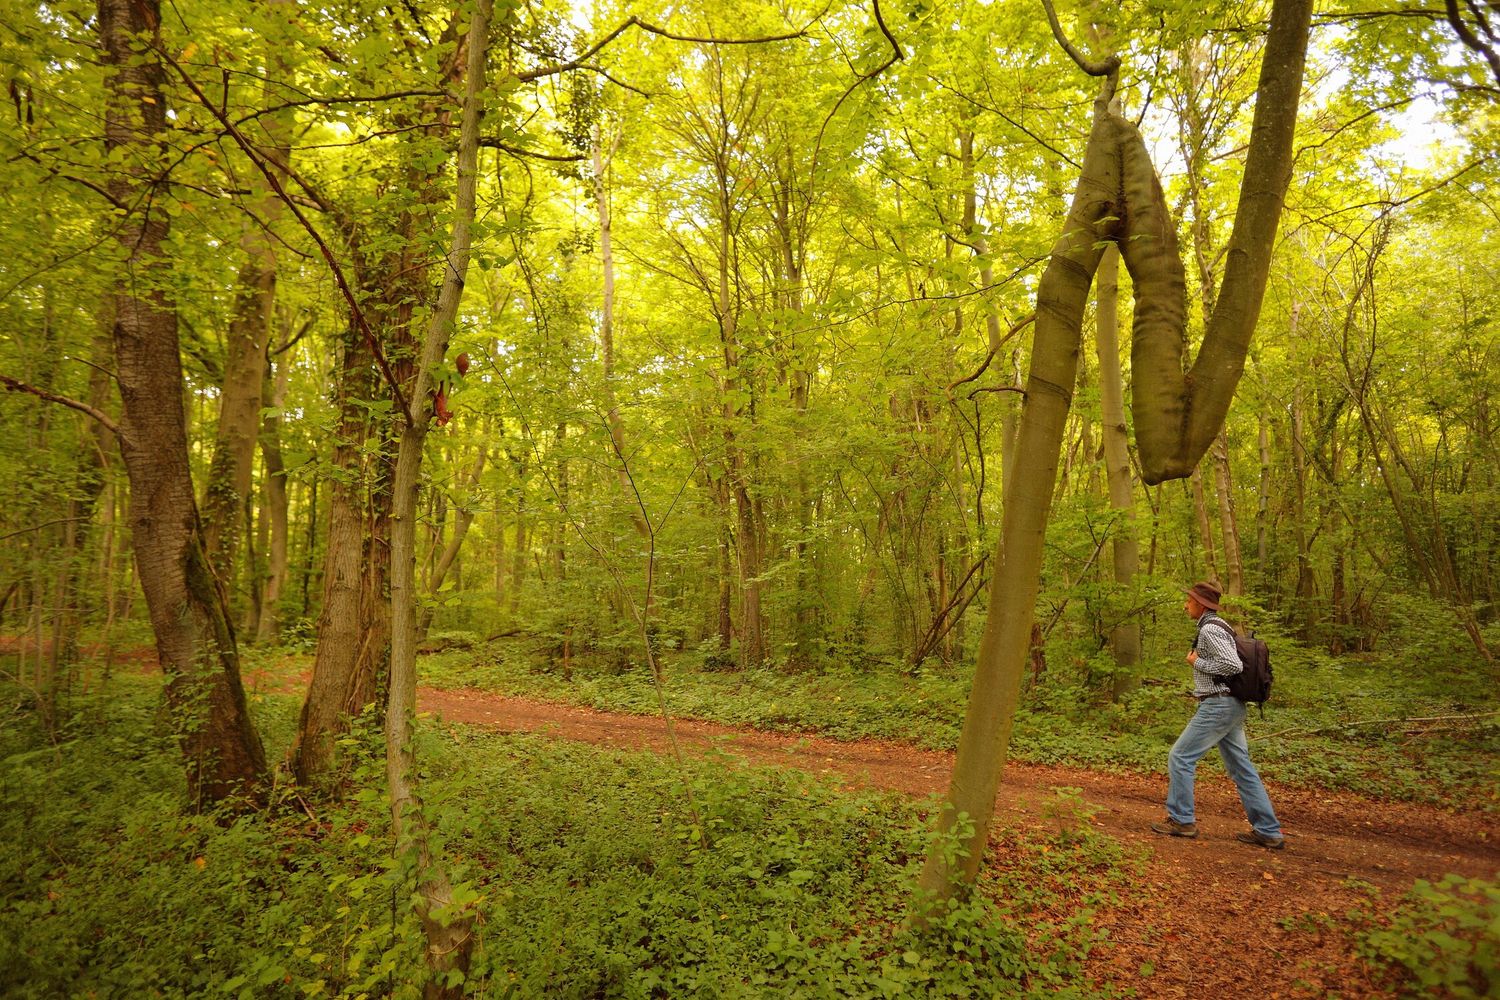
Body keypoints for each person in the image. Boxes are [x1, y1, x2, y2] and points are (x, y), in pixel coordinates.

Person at [1151, 581, 1285, 850]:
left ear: (1201, 605)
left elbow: (1232, 665)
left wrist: (1196, 662)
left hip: (1219, 704)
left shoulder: (1210, 629)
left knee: (1180, 757)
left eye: (1189, 601)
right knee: (1241, 768)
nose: (1186, 605)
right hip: (1230, 705)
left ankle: (1182, 821)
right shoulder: (1220, 625)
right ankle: (1268, 831)